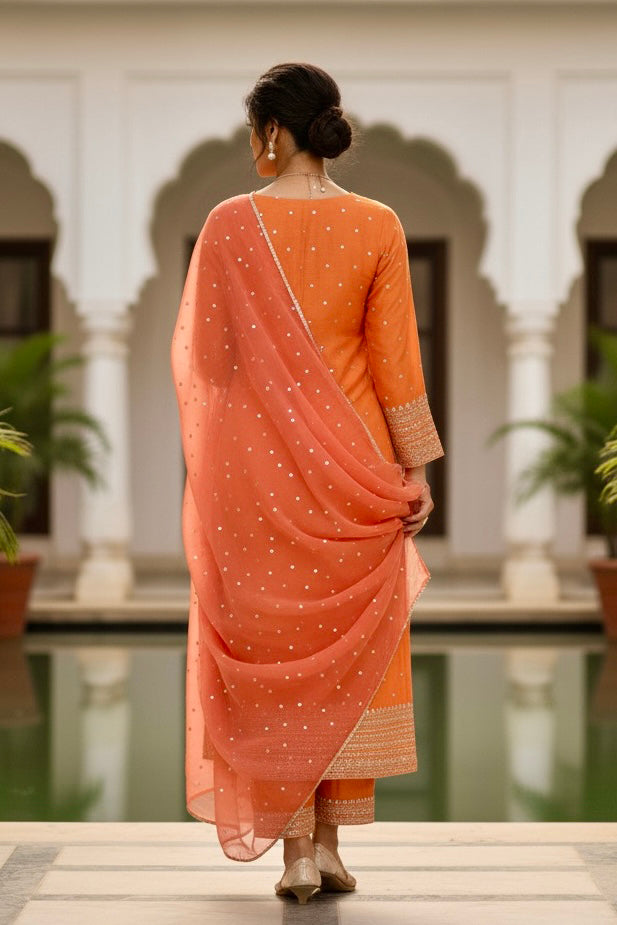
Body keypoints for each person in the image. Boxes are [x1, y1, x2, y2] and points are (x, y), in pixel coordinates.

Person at [170, 61, 445, 904]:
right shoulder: (378, 224)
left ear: (270, 132)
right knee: (343, 658)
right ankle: (325, 847)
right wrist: (415, 467)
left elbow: (212, 363)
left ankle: (292, 852)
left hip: (256, 476)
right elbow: (395, 359)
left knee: (277, 654)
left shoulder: (227, 225)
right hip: (356, 471)